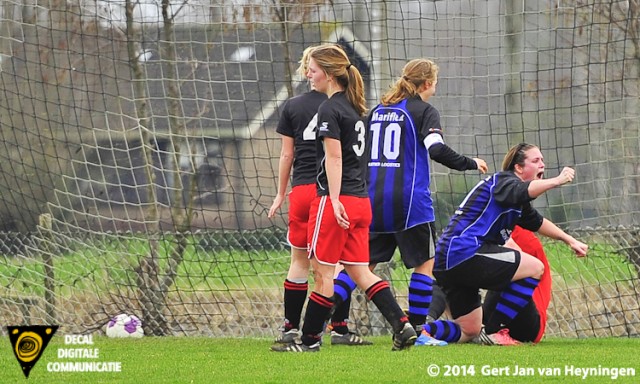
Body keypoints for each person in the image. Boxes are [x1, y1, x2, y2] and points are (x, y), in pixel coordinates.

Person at [328, 58, 488, 347]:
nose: (435, 88)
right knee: (425, 264)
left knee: (360, 265)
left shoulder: (377, 111)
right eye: (435, 82)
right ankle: (417, 331)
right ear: (427, 84)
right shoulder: (424, 112)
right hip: (409, 202)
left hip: (372, 197)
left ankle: (321, 317)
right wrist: (470, 163)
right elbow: (436, 149)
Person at [271, 44, 417, 352]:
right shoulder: (356, 109)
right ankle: (402, 326)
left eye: (312, 69)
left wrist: (333, 199)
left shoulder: (330, 108)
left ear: (328, 73)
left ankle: (308, 341)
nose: (308, 74)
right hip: (361, 202)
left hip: (336, 201)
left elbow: (334, 159)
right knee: (359, 271)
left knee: (322, 272)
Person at [419, 143, 588, 346]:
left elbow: (538, 222)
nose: (542, 164)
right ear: (518, 168)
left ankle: (422, 332)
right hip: (463, 251)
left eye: (543, 160)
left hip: (449, 257)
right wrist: (558, 181)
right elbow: (526, 190)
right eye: (535, 161)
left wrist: (570, 240)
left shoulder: (514, 198)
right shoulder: (504, 182)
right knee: (535, 268)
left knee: (469, 330)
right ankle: (496, 331)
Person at [268, 46, 370, 346]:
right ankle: (338, 327)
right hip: (331, 191)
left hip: (302, 190)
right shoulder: (347, 105)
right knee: (339, 264)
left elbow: (287, 155)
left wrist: (279, 193)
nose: (309, 72)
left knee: (300, 262)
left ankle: (290, 327)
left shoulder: (294, 106)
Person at [478, 225, 551, 344]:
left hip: (529, 326)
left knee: (510, 270)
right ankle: (466, 329)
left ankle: (490, 330)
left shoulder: (521, 237)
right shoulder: (484, 229)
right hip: (497, 309)